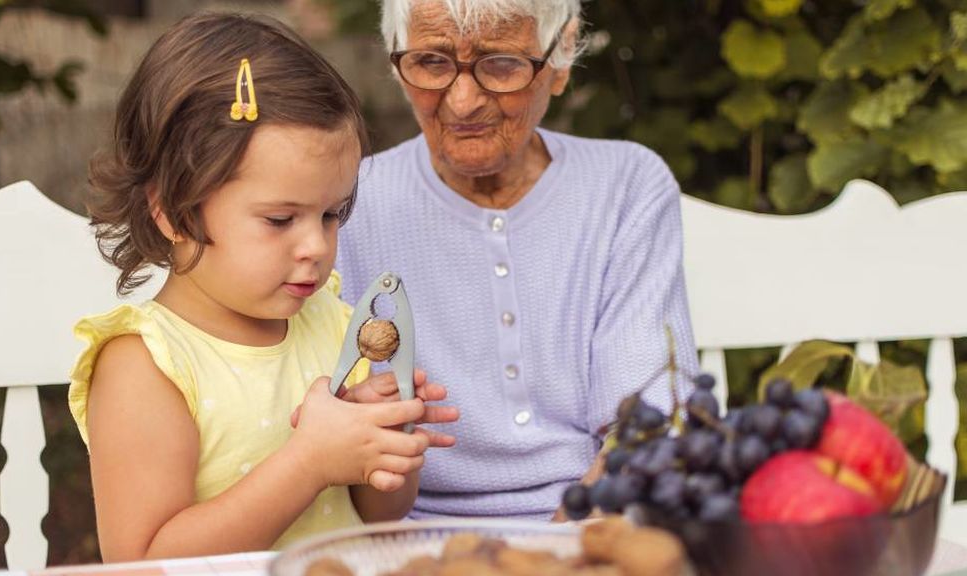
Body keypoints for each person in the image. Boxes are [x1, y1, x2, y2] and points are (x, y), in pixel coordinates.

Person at [68, 12, 457, 561]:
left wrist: (383, 447)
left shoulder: (333, 325)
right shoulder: (146, 365)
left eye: (330, 214)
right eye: (280, 220)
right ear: (174, 212)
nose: (317, 247)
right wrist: (309, 463)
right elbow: (143, 564)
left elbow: (379, 518)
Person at [336, 0, 699, 521]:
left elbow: (649, 418)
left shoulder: (626, 186)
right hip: (401, 534)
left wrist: (561, 547)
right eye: (432, 62)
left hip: (599, 519)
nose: (462, 102)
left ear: (561, 56)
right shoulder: (348, 202)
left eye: (501, 64)